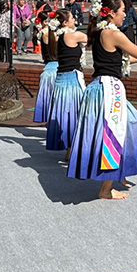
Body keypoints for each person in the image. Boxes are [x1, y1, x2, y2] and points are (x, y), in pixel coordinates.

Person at [67, 0, 137, 200]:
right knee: (117, 133)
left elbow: (122, 60)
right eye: (122, 10)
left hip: (101, 88)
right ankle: (106, 188)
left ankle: (118, 173)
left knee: (128, 128)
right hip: (107, 91)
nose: (125, 14)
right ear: (112, 13)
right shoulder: (113, 33)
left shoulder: (101, 32)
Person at [46, 9, 87, 160]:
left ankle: (70, 149)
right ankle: (73, 149)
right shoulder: (72, 35)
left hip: (61, 80)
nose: (75, 21)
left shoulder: (58, 36)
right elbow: (91, 38)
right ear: (64, 23)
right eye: (72, 18)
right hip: (71, 81)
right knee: (77, 114)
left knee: (67, 116)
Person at [33, 10, 60, 124]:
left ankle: (50, 121)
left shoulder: (44, 33)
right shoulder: (48, 34)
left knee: (48, 98)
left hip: (48, 69)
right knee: (55, 99)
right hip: (55, 69)